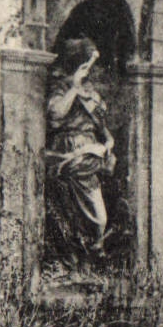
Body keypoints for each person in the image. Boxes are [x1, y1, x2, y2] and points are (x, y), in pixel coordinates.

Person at [46, 38, 116, 258]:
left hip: (90, 158)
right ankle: (79, 256)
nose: (90, 72)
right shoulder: (63, 88)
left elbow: (104, 131)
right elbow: (55, 115)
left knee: (99, 218)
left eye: (92, 67)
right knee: (74, 215)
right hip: (69, 153)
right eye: (87, 66)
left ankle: (91, 251)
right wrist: (74, 89)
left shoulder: (92, 94)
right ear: (76, 65)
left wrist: (107, 145)